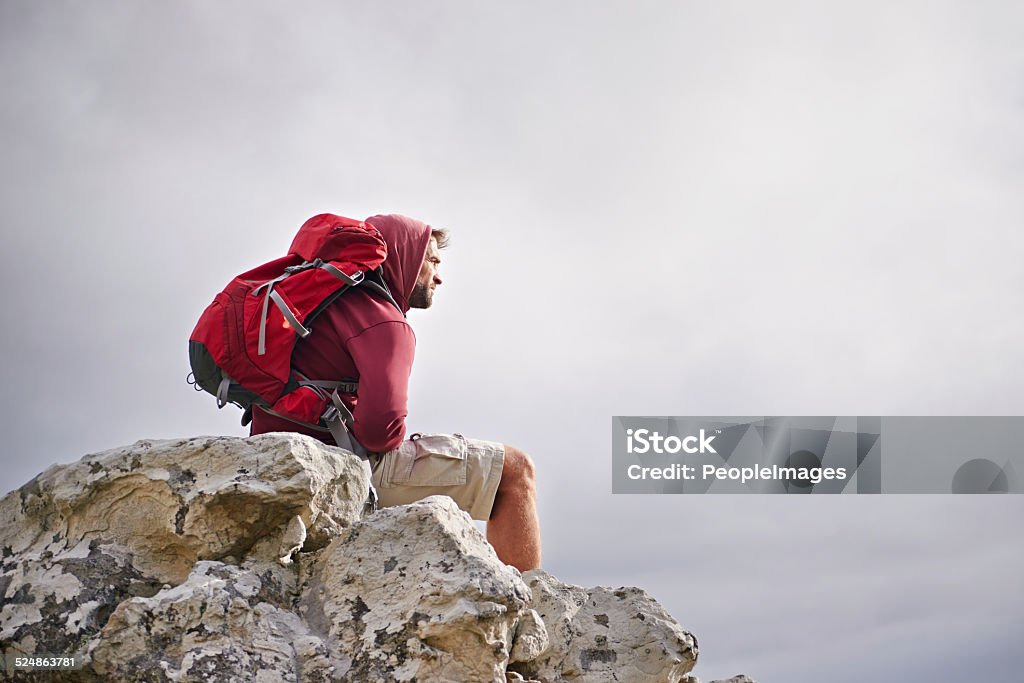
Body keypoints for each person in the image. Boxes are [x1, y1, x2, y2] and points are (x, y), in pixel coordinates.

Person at [250, 214, 542, 572]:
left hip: (277, 456)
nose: (439, 275)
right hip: (338, 466)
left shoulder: (320, 301)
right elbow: (379, 432)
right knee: (513, 471)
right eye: (432, 261)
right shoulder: (384, 321)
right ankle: (534, 612)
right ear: (405, 257)